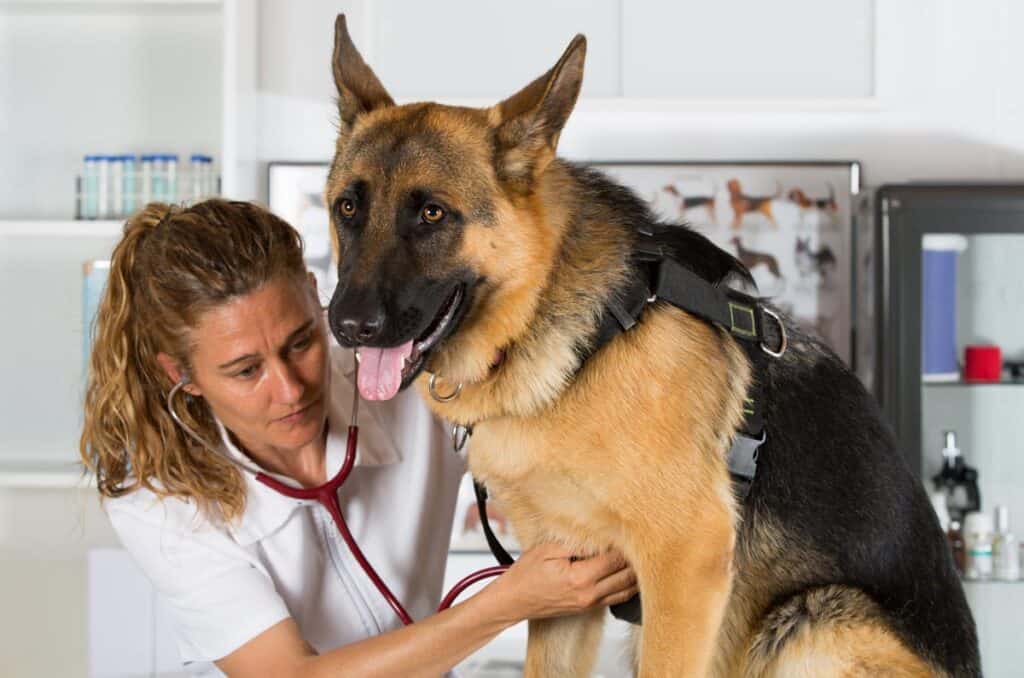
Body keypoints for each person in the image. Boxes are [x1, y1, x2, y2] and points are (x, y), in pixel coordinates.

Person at [80, 199, 637, 677]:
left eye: (301, 342)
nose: (291, 388)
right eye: (246, 371)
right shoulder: (158, 502)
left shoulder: (405, 378)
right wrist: (508, 603)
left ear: (316, 293)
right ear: (181, 374)